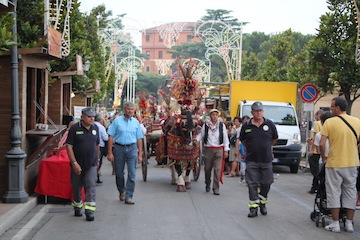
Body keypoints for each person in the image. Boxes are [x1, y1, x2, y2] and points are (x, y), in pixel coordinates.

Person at [320, 97, 360, 233]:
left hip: (334, 163)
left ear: (337, 108)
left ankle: (335, 223)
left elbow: (321, 143)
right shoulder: (357, 122)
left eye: (332, 106)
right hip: (352, 163)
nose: (330, 109)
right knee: (350, 191)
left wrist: (324, 156)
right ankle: (349, 224)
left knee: (334, 192)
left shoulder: (329, 123)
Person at [238, 101, 278, 218]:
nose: (258, 113)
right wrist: (251, 148)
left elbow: (274, 140)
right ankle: (253, 208)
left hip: (266, 160)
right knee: (252, 184)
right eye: (256, 111)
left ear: (263, 111)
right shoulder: (246, 126)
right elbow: (243, 140)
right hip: (252, 160)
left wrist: (265, 147)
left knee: (266, 183)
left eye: (260, 110)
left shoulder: (269, 124)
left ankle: (262, 202)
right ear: (252, 112)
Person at [66, 107, 100, 221]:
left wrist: (98, 160)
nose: (92, 119)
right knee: (76, 186)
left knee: (90, 184)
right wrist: (74, 163)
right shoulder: (75, 128)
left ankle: (89, 211)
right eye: (89, 116)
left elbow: (97, 145)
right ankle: (77, 205)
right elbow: (69, 146)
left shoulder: (95, 128)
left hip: (91, 164)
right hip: (77, 163)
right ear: (82, 117)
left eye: (93, 117)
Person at [107, 102, 144, 205]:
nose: (130, 111)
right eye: (128, 109)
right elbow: (110, 136)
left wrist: (140, 154)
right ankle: (121, 190)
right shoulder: (117, 121)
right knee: (119, 173)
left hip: (132, 148)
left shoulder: (136, 123)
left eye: (132, 109)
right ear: (124, 109)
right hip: (119, 148)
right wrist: (110, 152)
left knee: (132, 173)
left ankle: (129, 196)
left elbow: (139, 139)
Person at [196, 108, 229, 195]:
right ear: (210, 116)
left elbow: (225, 138)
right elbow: (201, 135)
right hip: (208, 149)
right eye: (212, 114)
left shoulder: (222, 125)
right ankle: (207, 183)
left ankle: (216, 188)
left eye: (215, 115)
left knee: (217, 169)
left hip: (218, 149)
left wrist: (226, 150)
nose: (214, 116)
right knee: (207, 169)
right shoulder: (206, 125)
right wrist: (196, 140)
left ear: (218, 116)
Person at [307, 109, 324, 194]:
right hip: (323, 150)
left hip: (316, 150)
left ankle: (315, 187)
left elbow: (316, 137)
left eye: (315, 115)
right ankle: (315, 187)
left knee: (315, 171)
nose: (315, 117)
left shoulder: (317, 123)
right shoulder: (326, 124)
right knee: (319, 170)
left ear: (318, 115)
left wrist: (311, 150)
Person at [94, 113, 109, 184]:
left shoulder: (91, 125)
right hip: (100, 146)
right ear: (100, 119)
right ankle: (96, 176)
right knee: (99, 160)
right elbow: (105, 138)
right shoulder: (101, 127)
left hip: (91, 146)